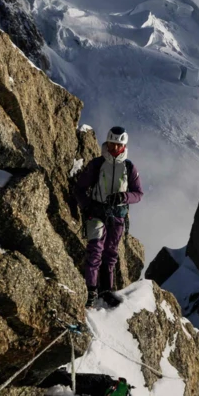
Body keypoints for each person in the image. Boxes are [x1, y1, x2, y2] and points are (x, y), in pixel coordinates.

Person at [74, 126, 143, 306]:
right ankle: (90, 291)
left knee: (110, 254)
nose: (114, 149)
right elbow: (79, 188)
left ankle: (106, 290)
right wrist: (87, 207)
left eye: (118, 146)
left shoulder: (129, 167)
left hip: (117, 217)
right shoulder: (96, 164)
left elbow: (138, 194)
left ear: (124, 146)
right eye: (112, 145)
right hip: (96, 213)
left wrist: (124, 197)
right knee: (95, 251)